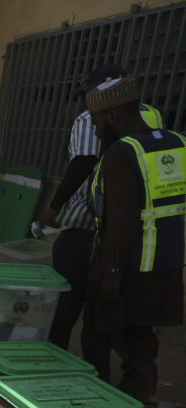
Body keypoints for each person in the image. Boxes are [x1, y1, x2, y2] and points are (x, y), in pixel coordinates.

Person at [80, 75, 184, 408]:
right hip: (167, 261)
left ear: (113, 117)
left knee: (96, 332)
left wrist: (110, 272)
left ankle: (100, 403)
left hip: (128, 263)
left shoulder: (121, 153)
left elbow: (122, 221)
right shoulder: (178, 143)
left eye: (96, 122)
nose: (95, 131)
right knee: (142, 334)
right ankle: (144, 400)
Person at [43, 64, 164, 349]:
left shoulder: (92, 117)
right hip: (142, 228)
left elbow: (83, 161)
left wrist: (53, 207)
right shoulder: (151, 114)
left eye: (88, 91)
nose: (86, 99)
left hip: (89, 224)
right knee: (123, 310)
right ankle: (134, 377)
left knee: (70, 297)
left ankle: (54, 354)